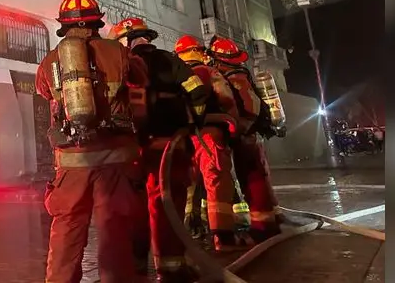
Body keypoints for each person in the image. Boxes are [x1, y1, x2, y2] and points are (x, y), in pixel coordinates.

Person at [35, 0, 149, 283]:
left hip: (72, 162)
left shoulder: (50, 61)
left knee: (66, 228)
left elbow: (44, 91)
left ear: (65, 26)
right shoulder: (118, 53)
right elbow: (141, 78)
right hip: (114, 160)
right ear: (96, 22)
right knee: (114, 229)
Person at [111, 18, 210, 282]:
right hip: (171, 145)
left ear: (126, 40)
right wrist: (193, 123)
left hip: (133, 149)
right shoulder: (170, 60)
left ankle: (135, 268)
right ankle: (171, 267)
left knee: (134, 207)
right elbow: (198, 92)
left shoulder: (123, 65)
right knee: (168, 205)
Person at [173, 35, 247, 251]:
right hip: (209, 137)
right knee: (217, 184)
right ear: (196, 51)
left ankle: (191, 225)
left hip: (182, 139)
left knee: (188, 183)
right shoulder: (208, 72)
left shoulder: (173, 74)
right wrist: (233, 125)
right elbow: (227, 101)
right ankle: (223, 238)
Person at [208, 36, 282, 241]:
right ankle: (271, 220)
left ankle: (263, 227)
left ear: (217, 58)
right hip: (250, 134)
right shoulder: (240, 74)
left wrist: (238, 129)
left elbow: (246, 107)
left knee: (252, 179)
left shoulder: (232, 77)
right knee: (257, 176)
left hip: (245, 135)